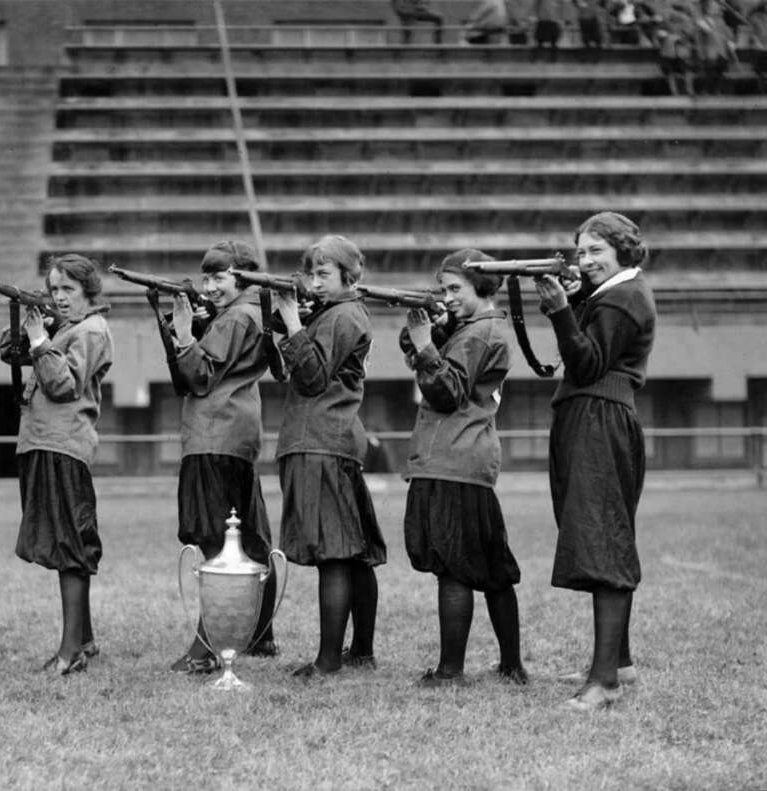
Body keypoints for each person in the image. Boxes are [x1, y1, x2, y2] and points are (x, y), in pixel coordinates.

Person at [534, 212, 656, 711]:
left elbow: (586, 363)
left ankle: (605, 681)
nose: (585, 261)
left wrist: (563, 311)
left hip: (600, 421)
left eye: (595, 252)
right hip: (593, 418)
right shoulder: (615, 294)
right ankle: (617, 662)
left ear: (623, 250)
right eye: (581, 252)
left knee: (603, 542)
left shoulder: (624, 298)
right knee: (597, 534)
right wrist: (575, 299)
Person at [401, 249, 528, 688]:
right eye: (444, 288)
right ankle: (512, 666)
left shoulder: (480, 332)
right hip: (467, 459)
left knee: (453, 568)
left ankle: (450, 671)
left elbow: (445, 392)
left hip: (453, 459)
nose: (447, 297)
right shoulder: (479, 327)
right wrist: (425, 334)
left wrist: (423, 343)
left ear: (483, 288)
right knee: (491, 567)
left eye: (456, 289)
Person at [275, 235, 387, 677]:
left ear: (349, 276)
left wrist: (292, 323)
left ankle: (327, 661)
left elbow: (313, 377)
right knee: (352, 552)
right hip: (330, 439)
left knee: (335, 555)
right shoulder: (335, 313)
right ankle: (361, 650)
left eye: (324, 274)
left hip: (321, 439)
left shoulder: (342, 315)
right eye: (311, 273)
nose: (313, 282)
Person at [167, 240, 279, 674]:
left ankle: (208, 647)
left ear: (245, 277)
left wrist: (182, 333)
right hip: (236, 434)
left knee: (216, 544)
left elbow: (199, 375)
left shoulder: (235, 317)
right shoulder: (249, 313)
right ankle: (258, 633)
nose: (209, 286)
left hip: (213, 435)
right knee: (249, 539)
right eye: (206, 277)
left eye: (218, 277)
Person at [0, 254, 113, 676]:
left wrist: (41, 342)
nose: (59, 297)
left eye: (68, 290)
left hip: (64, 446)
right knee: (64, 543)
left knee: (70, 549)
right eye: (54, 289)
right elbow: (8, 354)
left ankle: (71, 653)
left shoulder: (92, 329)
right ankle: (84, 640)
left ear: (88, 291)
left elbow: (64, 386)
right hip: (42, 443)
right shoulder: (63, 327)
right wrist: (33, 329)